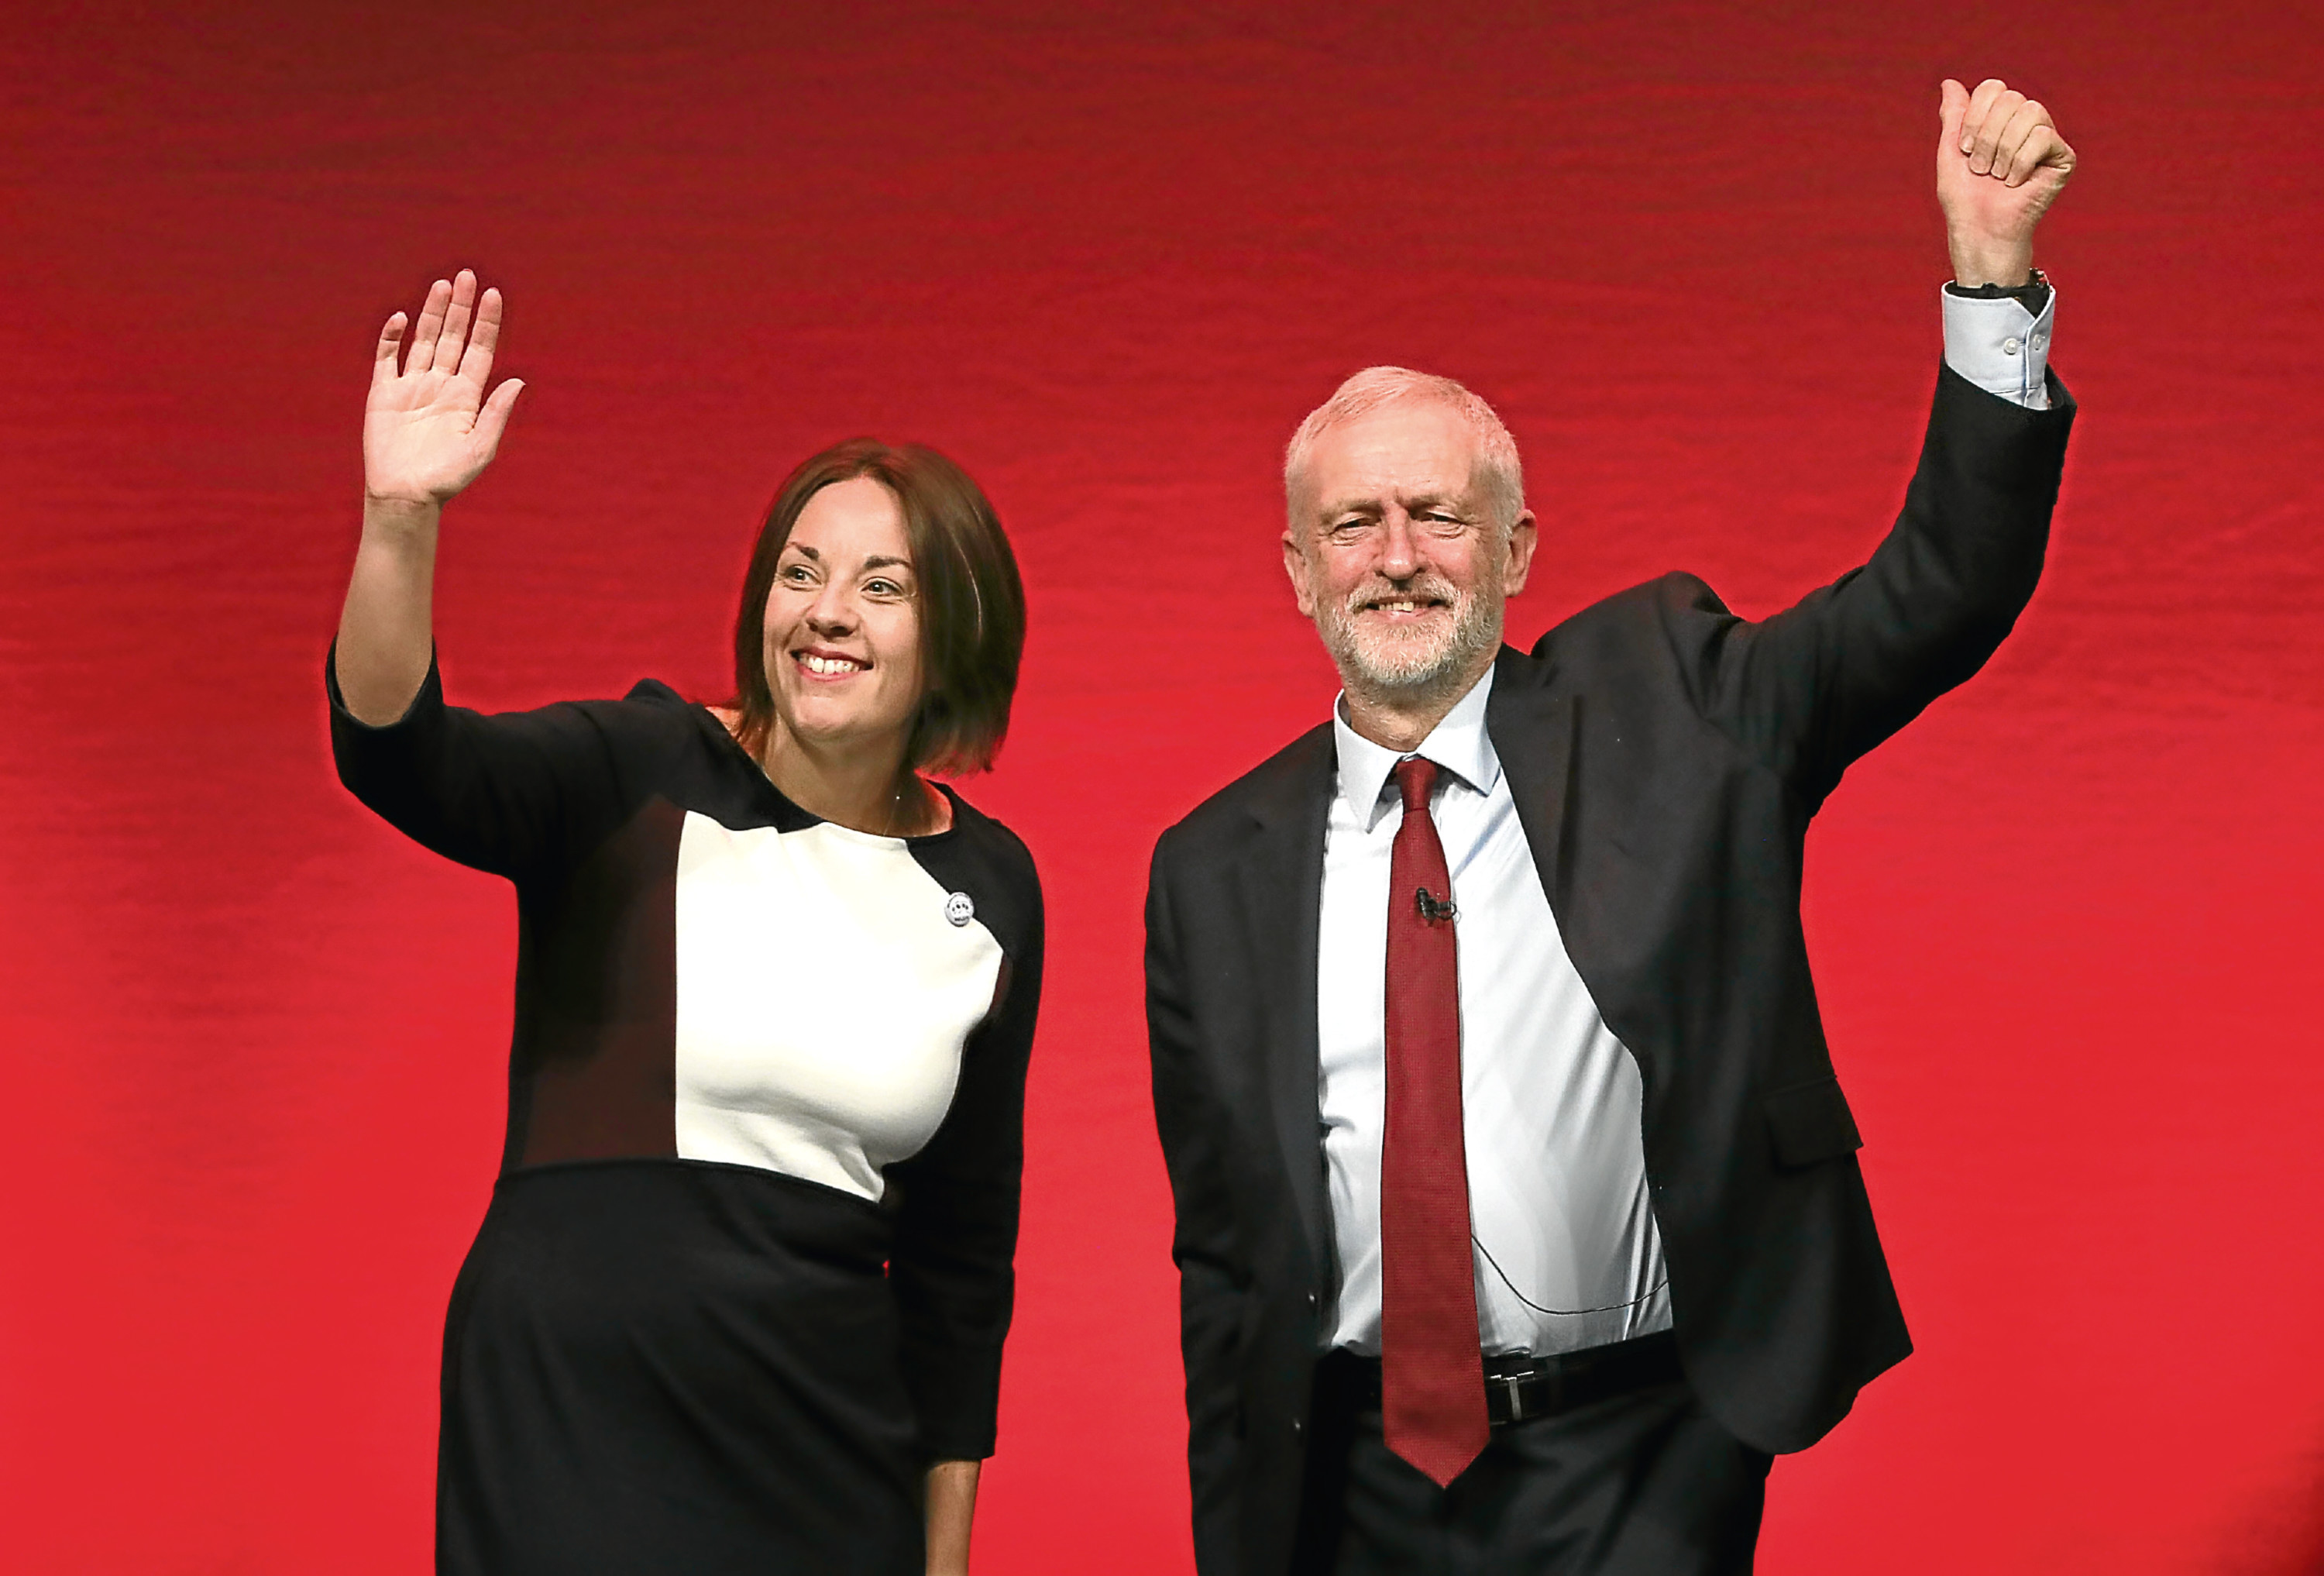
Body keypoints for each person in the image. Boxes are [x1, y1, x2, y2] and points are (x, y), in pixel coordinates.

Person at [1145, 77, 2076, 1574]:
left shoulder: (1676, 702)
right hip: (1348, 1482)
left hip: (1639, 1455)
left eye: (1439, 517)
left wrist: (1991, 282)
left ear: (1514, 549)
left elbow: (1937, 592)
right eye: (1353, 526)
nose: (1398, 559)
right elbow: (1224, 1258)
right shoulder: (1206, 870)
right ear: (1298, 572)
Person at [328, 270, 1041, 1576]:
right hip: (568, 1428)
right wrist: (399, 521)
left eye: (882, 585)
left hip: (824, 1458)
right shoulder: (639, 768)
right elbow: (398, 755)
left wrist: (945, 1565)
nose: (827, 611)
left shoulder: (991, 887)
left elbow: (958, 1271)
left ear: (953, 637)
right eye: (800, 572)